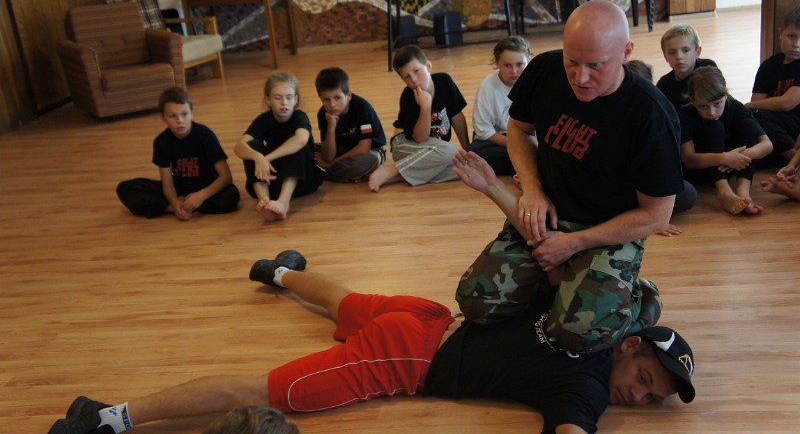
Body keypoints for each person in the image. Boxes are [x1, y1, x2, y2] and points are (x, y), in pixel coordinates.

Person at [49, 250, 696, 434]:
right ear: (627, 346)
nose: (638, 398)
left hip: (427, 315)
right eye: (644, 380)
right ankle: (107, 417)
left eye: (652, 399)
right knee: (265, 391)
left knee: (344, 300)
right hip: (408, 358)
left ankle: (280, 272)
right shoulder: (586, 383)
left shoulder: (575, 312)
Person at [458, 0, 685, 355]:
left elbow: (656, 216)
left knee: (578, 334)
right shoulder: (544, 70)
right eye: (572, 61)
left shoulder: (651, 114)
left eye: (596, 65)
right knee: (476, 303)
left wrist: (574, 243)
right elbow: (518, 129)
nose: (581, 78)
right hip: (546, 216)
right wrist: (532, 188)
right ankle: (568, 285)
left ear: (626, 53)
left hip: (607, 231)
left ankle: (641, 298)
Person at [116, 87, 240, 220]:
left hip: (205, 184)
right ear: (163, 117)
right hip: (179, 186)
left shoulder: (205, 135)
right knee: (125, 188)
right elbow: (168, 184)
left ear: (192, 113)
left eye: (184, 114)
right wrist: (174, 202)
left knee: (231, 196)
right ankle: (175, 208)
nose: (180, 120)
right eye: (172, 116)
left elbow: (226, 177)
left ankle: (187, 205)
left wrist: (200, 196)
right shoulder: (161, 142)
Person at [367, 45, 469, 192]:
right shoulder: (408, 96)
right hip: (405, 145)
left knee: (464, 169)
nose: (414, 80)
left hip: (432, 150)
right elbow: (420, 138)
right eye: (406, 77)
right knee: (451, 152)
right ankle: (394, 169)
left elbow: (457, 117)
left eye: (416, 71)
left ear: (428, 66)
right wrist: (425, 107)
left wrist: (468, 150)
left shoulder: (444, 81)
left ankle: (402, 175)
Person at [679, 66, 773, 215]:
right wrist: (724, 158)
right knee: (714, 126)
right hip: (703, 169)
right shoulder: (685, 114)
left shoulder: (735, 106)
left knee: (747, 125)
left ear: (726, 95)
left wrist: (741, 156)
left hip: (733, 164)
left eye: (717, 104)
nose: (711, 112)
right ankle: (724, 192)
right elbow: (688, 159)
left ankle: (743, 190)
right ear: (692, 100)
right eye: (703, 106)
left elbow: (767, 144)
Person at [234, 72, 323, 221]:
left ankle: (283, 202)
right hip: (273, 179)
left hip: (302, 180)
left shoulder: (299, 116)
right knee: (252, 146)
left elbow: (301, 140)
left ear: (295, 99)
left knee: (294, 144)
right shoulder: (264, 119)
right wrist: (257, 157)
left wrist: (266, 159)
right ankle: (265, 201)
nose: (284, 102)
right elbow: (239, 146)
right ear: (268, 100)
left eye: (289, 97)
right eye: (277, 98)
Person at [629, 58, 697, 234]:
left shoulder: (654, 111)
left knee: (686, 193)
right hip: (620, 182)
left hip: (644, 180)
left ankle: (644, 215)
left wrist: (658, 214)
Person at [469, 36, 531, 176]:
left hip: (528, 137)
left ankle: (520, 165)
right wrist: (517, 146)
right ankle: (525, 164)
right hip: (500, 139)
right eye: (507, 65)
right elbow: (484, 131)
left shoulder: (534, 83)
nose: (514, 71)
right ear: (497, 63)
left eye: (520, 64)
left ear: (528, 61)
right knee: (475, 152)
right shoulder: (487, 87)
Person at [746, 6, 800, 166]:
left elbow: (786, 103)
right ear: (780, 33)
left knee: (754, 115)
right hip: (772, 124)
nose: (797, 44)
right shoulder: (769, 65)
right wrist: (751, 107)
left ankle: (794, 159)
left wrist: (747, 106)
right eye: (791, 36)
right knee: (750, 120)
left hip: (796, 123)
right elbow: (757, 101)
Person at [314, 67, 387, 182]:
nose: (332, 104)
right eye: (326, 99)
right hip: (342, 147)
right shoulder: (323, 114)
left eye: (337, 98)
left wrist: (333, 163)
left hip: (370, 150)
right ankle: (349, 176)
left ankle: (318, 172)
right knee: (306, 149)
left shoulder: (362, 108)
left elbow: (364, 148)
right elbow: (327, 156)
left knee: (364, 163)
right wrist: (331, 127)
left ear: (349, 96)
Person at [656, 23, 718, 111]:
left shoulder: (707, 68)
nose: (679, 57)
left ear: (697, 52)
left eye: (685, 50)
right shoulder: (663, 85)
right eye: (672, 52)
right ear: (665, 56)